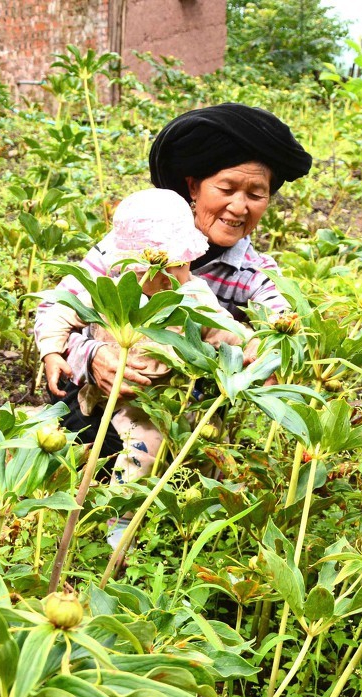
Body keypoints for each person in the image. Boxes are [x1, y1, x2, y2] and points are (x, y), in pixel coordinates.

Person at [40, 103, 312, 415]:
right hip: (95, 394)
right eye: (227, 188)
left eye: (255, 194)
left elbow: (282, 325)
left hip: (177, 411)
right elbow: (58, 308)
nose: (239, 207)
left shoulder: (253, 274)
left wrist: (263, 350)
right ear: (193, 186)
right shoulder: (131, 244)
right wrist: (90, 355)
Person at [34, 188, 223, 487]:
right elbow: (62, 310)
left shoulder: (194, 296)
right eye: (158, 269)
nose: (172, 277)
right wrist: (52, 352)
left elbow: (224, 330)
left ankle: (184, 493)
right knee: (120, 450)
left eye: (182, 264)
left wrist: (254, 350)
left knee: (186, 445)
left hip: (163, 398)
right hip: (109, 397)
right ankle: (113, 499)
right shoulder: (112, 290)